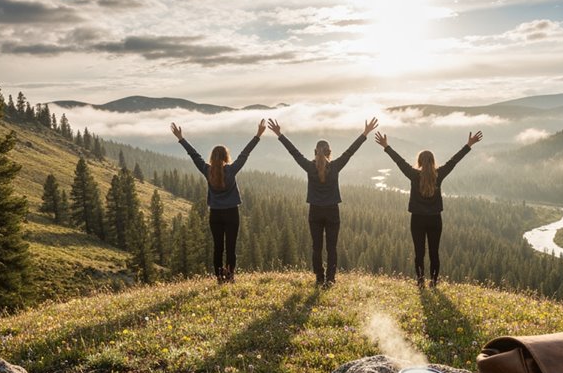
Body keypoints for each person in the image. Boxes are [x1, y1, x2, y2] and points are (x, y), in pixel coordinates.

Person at [267, 118, 379, 286]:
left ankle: (319, 278)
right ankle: (330, 279)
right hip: (332, 211)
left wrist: (279, 134)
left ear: (315, 152)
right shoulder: (335, 166)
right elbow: (350, 152)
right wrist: (365, 133)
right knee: (331, 248)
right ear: (329, 152)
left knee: (316, 247)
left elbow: (294, 153)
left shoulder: (310, 167)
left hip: (315, 211)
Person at [374, 130, 483, 288]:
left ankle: (420, 282)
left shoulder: (413, 175)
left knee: (419, 252)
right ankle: (434, 282)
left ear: (419, 162)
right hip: (435, 219)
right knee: (434, 252)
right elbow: (454, 161)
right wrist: (469, 145)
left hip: (417, 219)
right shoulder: (439, 174)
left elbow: (400, 161)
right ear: (433, 162)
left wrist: (386, 146)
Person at [171, 120, 265, 283]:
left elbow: (194, 155)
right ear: (226, 157)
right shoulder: (231, 170)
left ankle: (219, 278)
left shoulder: (207, 170)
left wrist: (181, 138)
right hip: (231, 213)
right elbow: (245, 154)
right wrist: (258, 135)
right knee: (230, 248)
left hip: (215, 214)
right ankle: (230, 276)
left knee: (218, 248)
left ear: (212, 157)